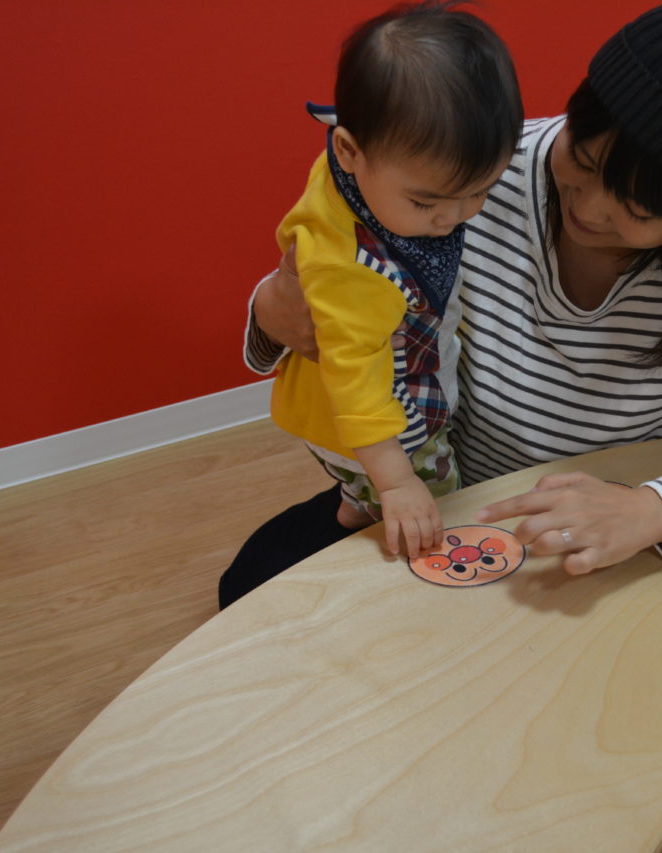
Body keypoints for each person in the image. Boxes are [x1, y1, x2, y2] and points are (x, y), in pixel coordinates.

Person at [223, 0, 662, 609]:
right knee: (251, 586)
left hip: (600, 531)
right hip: (447, 491)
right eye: (582, 160)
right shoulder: (473, 172)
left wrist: (652, 509)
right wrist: (271, 313)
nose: (589, 209)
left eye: (638, 210)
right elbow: (337, 290)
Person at [258, 1, 523, 560]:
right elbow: (358, 389)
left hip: (348, 411)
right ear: (349, 150)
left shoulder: (367, 158)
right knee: (439, 511)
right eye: (426, 202)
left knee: (365, 488)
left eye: (480, 191)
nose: (454, 217)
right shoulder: (355, 270)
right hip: (376, 429)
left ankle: (358, 506)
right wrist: (399, 483)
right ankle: (389, 515)